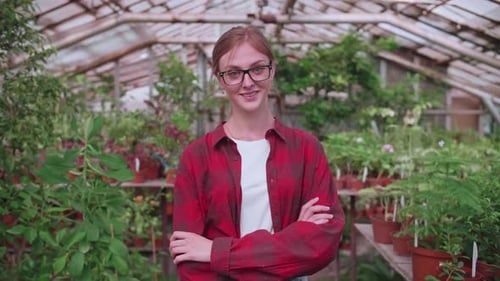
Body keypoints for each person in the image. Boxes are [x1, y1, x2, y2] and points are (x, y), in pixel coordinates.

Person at [169, 25, 345, 280]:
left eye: (258, 69)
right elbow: (190, 262)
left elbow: (321, 244)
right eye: (234, 73)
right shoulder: (197, 158)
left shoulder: (306, 149)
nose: (248, 82)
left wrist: (216, 252)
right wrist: (291, 241)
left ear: (272, 69)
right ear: (219, 79)